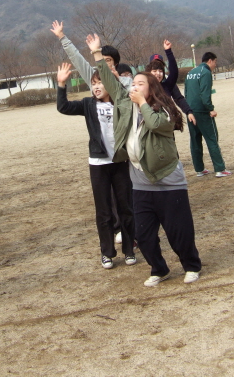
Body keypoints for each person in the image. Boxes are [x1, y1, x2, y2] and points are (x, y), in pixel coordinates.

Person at [87, 33, 202, 287]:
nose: (135, 86)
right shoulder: (125, 104)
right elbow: (110, 81)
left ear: (151, 88)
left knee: (178, 231)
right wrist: (96, 54)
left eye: (140, 83)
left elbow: (155, 124)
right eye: (134, 83)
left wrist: (142, 103)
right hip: (140, 183)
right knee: (144, 234)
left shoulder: (165, 109)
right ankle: (159, 269)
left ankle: (191, 265)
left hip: (168, 181)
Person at [56, 62, 136, 269]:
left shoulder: (121, 102)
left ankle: (129, 250)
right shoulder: (88, 104)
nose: (96, 87)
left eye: (100, 82)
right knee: (103, 211)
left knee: (125, 207)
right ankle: (107, 253)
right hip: (98, 163)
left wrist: (118, 78)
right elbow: (63, 107)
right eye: (93, 84)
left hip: (120, 161)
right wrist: (61, 85)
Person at [184, 52, 232, 177]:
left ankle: (199, 169)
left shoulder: (190, 72)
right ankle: (220, 169)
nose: (215, 65)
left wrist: (188, 110)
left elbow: (186, 93)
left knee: (195, 141)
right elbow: (205, 94)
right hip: (203, 111)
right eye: (215, 62)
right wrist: (210, 108)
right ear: (210, 60)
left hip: (190, 111)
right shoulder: (205, 73)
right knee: (212, 139)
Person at [51, 20, 133, 91]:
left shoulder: (127, 82)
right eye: (101, 60)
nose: (103, 63)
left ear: (116, 64)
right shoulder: (92, 78)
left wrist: (119, 79)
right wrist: (62, 37)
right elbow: (76, 57)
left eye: (108, 60)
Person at [145, 43, 197, 126]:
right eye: (154, 70)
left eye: (160, 70)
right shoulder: (144, 86)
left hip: (166, 124)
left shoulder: (167, 85)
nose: (158, 73)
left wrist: (188, 111)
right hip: (150, 124)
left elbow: (178, 98)